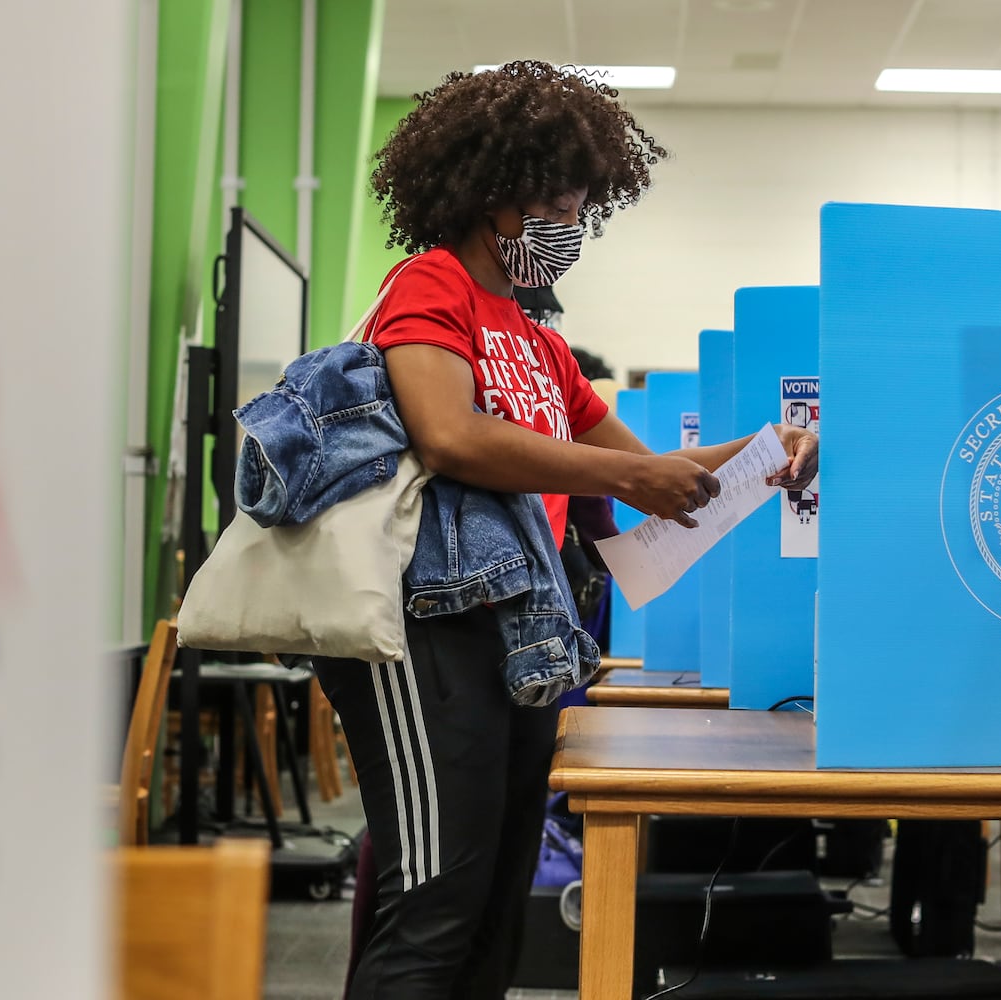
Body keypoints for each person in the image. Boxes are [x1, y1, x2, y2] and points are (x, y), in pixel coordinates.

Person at [314, 60, 818, 999]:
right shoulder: (431, 287)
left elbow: (641, 466)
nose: (567, 230)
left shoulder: (537, 341)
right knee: (433, 904)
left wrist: (767, 446)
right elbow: (450, 434)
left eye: (581, 209)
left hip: (519, 637)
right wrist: (630, 472)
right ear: (490, 195)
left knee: (494, 903)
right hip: (424, 634)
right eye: (554, 204)